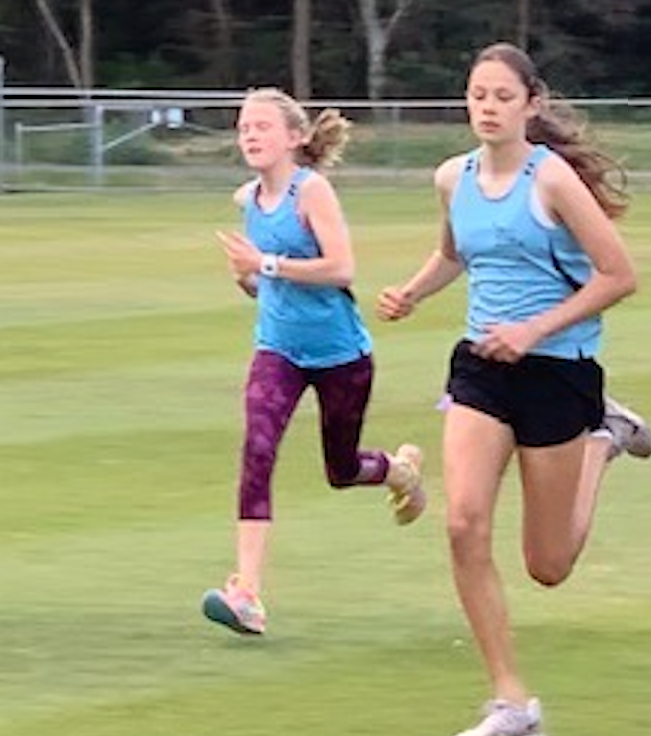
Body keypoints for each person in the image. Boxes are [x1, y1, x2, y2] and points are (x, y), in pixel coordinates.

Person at [376, 43, 651, 736]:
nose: (488, 108)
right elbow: (452, 254)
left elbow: (618, 276)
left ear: (531, 104)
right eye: (478, 96)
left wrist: (533, 331)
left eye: (503, 96)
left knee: (548, 565)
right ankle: (511, 701)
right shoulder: (452, 178)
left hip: (558, 372)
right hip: (480, 369)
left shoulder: (553, 180)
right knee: (464, 523)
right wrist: (412, 292)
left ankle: (604, 438)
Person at [203, 87, 427, 637]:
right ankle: (247, 594)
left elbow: (341, 269)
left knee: (342, 470)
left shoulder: (313, 191)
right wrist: (247, 278)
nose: (250, 135)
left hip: (341, 356)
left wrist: (265, 265)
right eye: (243, 128)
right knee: (256, 451)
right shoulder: (247, 199)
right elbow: (264, 289)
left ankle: (400, 471)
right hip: (277, 350)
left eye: (261, 126)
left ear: (295, 138)